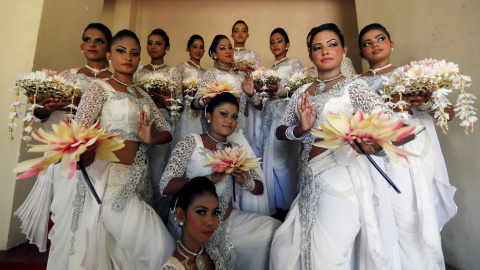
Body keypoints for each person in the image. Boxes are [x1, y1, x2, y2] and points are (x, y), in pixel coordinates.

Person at [271, 24, 417, 270]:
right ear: (310, 54)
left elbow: (399, 130)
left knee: (329, 257)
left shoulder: (355, 88)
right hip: (306, 181)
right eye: (318, 47)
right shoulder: (301, 93)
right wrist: (300, 130)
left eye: (332, 44)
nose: (325, 51)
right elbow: (280, 132)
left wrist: (374, 147)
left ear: (344, 50)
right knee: (297, 249)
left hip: (342, 182)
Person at [47, 29, 175, 270]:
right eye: (121, 51)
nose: (128, 57)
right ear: (109, 56)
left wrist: (150, 139)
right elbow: (78, 133)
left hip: (137, 183)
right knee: (161, 247)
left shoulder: (143, 96)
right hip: (105, 184)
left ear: (139, 59)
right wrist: (84, 153)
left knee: (123, 255)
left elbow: (167, 129)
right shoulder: (99, 88)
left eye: (134, 53)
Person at [359, 23, 455, 269]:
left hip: (415, 149)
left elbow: (449, 113)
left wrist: (423, 103)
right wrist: (389, 103)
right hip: (378, 152)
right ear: (361, 53)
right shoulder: (356, 84)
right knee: (385, 213)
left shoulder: (412, 74)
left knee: (414, 214)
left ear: (392, 43)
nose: (375, 45)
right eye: (367, 43)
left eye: (380, 39)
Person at [14, 22, 113, 253]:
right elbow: (42, 114)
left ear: (109, 46)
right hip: (66, 150)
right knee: (64, 210)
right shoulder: (68, 76)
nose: (92, 44)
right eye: (88, 39)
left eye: (99, 40)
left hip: (100, 149)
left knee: (96, 212)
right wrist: (44, 109)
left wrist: (79, 104)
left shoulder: (115, 80)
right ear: (81, 45)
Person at [161, 92, 281, 270]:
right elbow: (166, 186)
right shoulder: (191, 142)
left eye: (234, 116)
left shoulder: (235, 149)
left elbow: (259, 188)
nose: (229, 121)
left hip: (228, 221)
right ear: (208, 115)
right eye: (223, 114)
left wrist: (244, 180)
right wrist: (210, 178)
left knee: (276, 231)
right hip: (195, 222)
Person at [191, 35, 262, 151]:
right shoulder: (212, 73)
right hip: (222, 129)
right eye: (223, 48)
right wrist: (208, 99)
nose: (228, 51)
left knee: (242, 165)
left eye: (230, 47)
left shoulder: (241, 76)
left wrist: (251, 94)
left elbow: (259, 106)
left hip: (242, 128)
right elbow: (194, 104)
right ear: (214, 54)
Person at [261, 28, 303, 216]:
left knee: (281, 162)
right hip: (270, 115)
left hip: (285, 114)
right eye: (272, 42)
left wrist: (279, 91)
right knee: (272, 162)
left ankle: (291, 204)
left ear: (287, 44)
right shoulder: (268, 70)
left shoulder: (294, 62)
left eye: (279, 41)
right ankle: (281, 204)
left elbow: (300, 88)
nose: (275, 45)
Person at [161, 177, 226, 270]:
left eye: (215, 213)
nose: (211, 222)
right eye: (201, 212)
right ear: (181, 215)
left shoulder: (213, 254)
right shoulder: (172, 268)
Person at [231, 20, 263, 157]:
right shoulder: (227, 51)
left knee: (247, 128)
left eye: (243, 31)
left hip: (248, 95)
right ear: (232, 34)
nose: (240, 33)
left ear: (248, 35)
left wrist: (252, 72)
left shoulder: (253, 54)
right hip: (231, 93)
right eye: (237, 31)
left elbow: (260, 77)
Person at [172, 35, 206, 146]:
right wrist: (185, 90)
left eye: (201, 47)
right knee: (185, 139)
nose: (198, 50)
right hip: (186, 110)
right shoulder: (183, 66)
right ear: (188, 49)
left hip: (200, 111)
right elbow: (175, 87)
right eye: (195, 47)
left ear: (204, 51)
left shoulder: (205, 72)